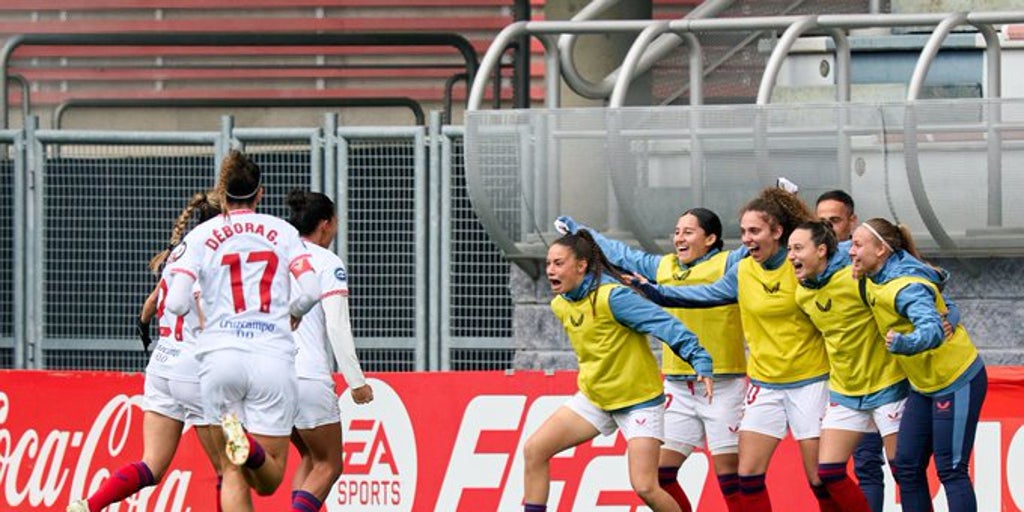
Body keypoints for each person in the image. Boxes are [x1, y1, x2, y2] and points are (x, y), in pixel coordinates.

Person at [636, 188, 837, 512]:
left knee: (821, 478)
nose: (746, 239)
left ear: (777, 232)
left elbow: (850, 278)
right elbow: (704, 294)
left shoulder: (800, 265)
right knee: (747, 477)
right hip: (765, 384)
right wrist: (654, 293)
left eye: (754, 231)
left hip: (809, 382)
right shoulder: (743, 271)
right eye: (743, 231)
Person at [555, 208, 746, 512]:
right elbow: (619, 252)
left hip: (720, 386)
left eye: (688, 232)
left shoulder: (729, 264)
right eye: (677, 231)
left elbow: (759, 244)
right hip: (678, 389)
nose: (679, 238)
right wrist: (583, 232)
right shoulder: (663, 267)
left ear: (710, 239)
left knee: (732, 479)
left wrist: (782, 211)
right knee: (660, 475)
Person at [164, 149, 321, 512]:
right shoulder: (282, 231)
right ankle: (249, 448)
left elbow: (175, 303)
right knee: (270, 478)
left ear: (223, 194)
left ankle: (242, 447)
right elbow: (311, 290)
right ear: (260, 193)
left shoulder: (203, 235)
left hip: (220, 359)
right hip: (271, 356)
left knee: (232, 472)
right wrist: (294, 312)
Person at [522, 230, 714, 512]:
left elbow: (665, 324)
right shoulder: (560, 303)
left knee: (645, 486)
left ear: (581, 266)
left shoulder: (614, 297)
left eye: (558, 263)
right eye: (549, 263)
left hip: (639, 402)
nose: (551, 270)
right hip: (596, 398)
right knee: (534, 450)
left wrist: (700, 359)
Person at [67, 191, 225, 512]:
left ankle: (88, 506)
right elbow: (195, 299)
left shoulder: (178, 253)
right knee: (229, 472)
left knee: (151, 465)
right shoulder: (210, 254)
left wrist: (145, 332)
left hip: (162, 366)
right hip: (195, 369)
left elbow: (150, 305)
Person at [850, 218, 987, 512]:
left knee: (951, 470)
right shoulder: (874, 275)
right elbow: (943, 302)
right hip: (924, 385)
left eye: (858, 245)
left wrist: (904, 343)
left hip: (956, 379)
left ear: (882, 250)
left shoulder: (905, 286)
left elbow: (932, 330)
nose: (851, 250)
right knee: (907, 466)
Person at [788, 220, 910, 512]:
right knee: (828, 473)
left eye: (798, 248)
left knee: (905, 474)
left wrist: (948, 317)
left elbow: (911, 286)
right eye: (789, 249)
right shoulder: (802, 295)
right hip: (845, 392)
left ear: (821, 251)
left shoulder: (857, 278)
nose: (791, 256)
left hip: (887, 386)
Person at [286, 190, 374, 512]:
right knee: (330, 465)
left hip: (274, 376)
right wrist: (356, 381)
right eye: (335, 222)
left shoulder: (281, 256)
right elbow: (337, 325)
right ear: (324, 224)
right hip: (308, 376)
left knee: (310, 457)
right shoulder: (327, 262)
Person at [815, 190, 884, 512]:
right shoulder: (806, 272)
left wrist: (948, 315)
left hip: (880, 381)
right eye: (821, 223)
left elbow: (920, 279)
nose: (828, 228)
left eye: (834, 221)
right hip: (836, 386)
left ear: (852, 222)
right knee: (833, 471)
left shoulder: (869, 262)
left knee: (889, 467)